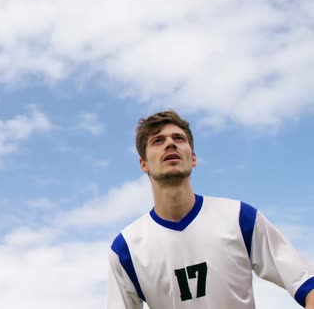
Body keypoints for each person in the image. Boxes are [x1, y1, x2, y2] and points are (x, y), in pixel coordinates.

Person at [107, 110, 314, 309]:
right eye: (158, 141)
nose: (170, 143)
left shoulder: (239, 217)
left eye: (178, 138)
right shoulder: (126, 249)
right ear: (144, 164)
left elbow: (307, 284)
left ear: (193, 158)